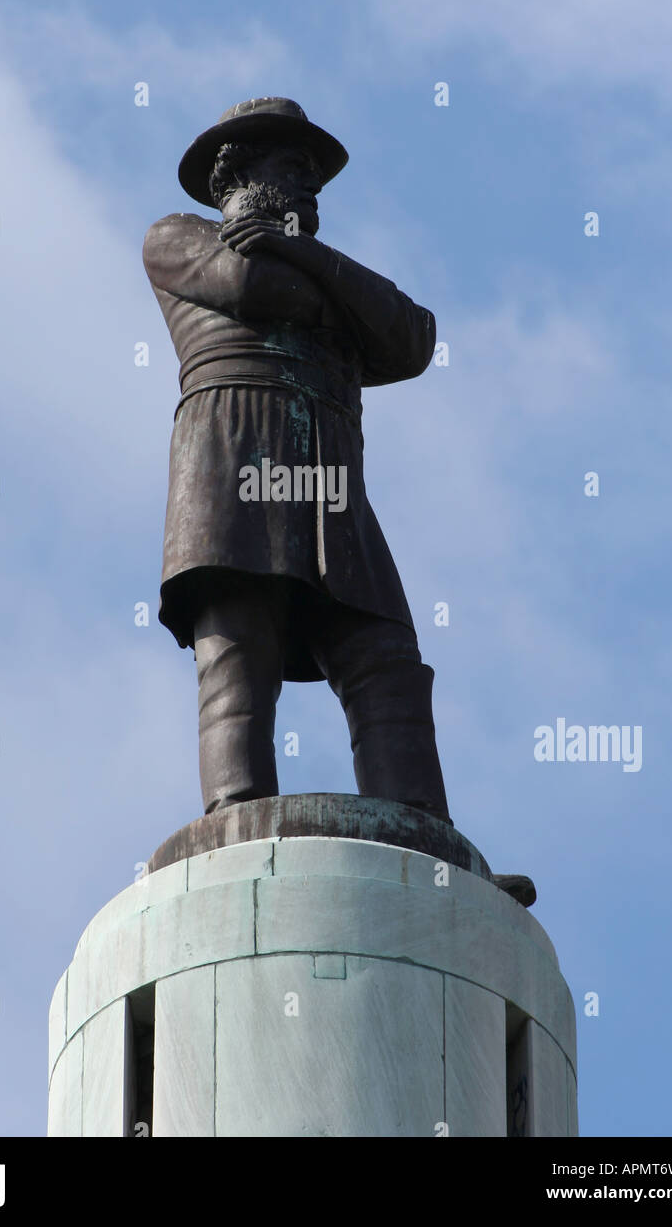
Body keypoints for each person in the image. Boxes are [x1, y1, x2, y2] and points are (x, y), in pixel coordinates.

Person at [143, 97, 451, 824]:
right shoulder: (175, 235)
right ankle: (235, 815)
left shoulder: (302, 255)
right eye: (293, 168)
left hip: (331, 476)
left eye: (314, 175)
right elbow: (250, 288)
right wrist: (326, 293)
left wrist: (298, 248)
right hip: (233, 453)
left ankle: (421, 832)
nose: (311, 187)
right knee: (238, 644)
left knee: (385, 657)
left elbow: (410, 338)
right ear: (239, 172)